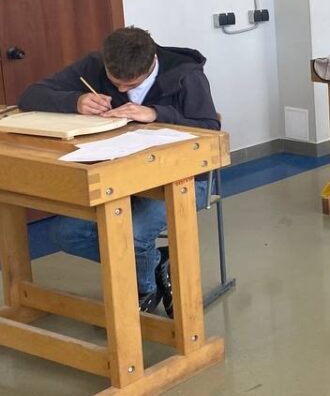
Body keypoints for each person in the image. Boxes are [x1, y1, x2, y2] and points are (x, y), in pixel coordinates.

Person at [19, 27, 220, 315]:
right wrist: (75, 101)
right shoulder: (95, 65)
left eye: (131, 85)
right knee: (67, 233)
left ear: (152, 62)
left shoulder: (186, 75)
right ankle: (156, 263)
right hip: (121, 178)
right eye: (116, 84)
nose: (122, 91)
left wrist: (156, 114)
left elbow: (211, 130)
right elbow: (30, 95)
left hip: (183, 180)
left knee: (135, 234)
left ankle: (143, 291)